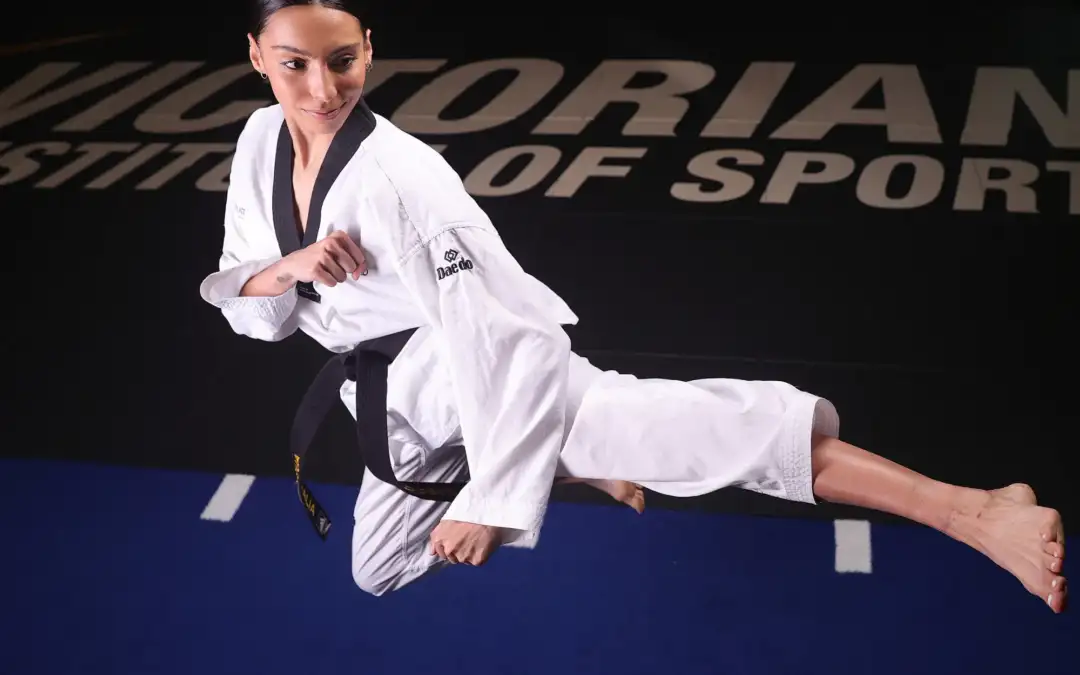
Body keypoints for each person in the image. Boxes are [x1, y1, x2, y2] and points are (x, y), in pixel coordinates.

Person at [199, 0, 1067, 611]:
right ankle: (571, 452)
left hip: (481, 373)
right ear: (255, 56)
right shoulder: (259, 139)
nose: (321, 88)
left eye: (342, 60)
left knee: (702, 432)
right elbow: (241, 284)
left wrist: (497, 496)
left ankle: (977, 514)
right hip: (388, 396)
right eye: (294, 64)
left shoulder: (408, 179)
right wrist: (290, 268)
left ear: (369, 49)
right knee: (376, 569)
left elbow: (512, 333)